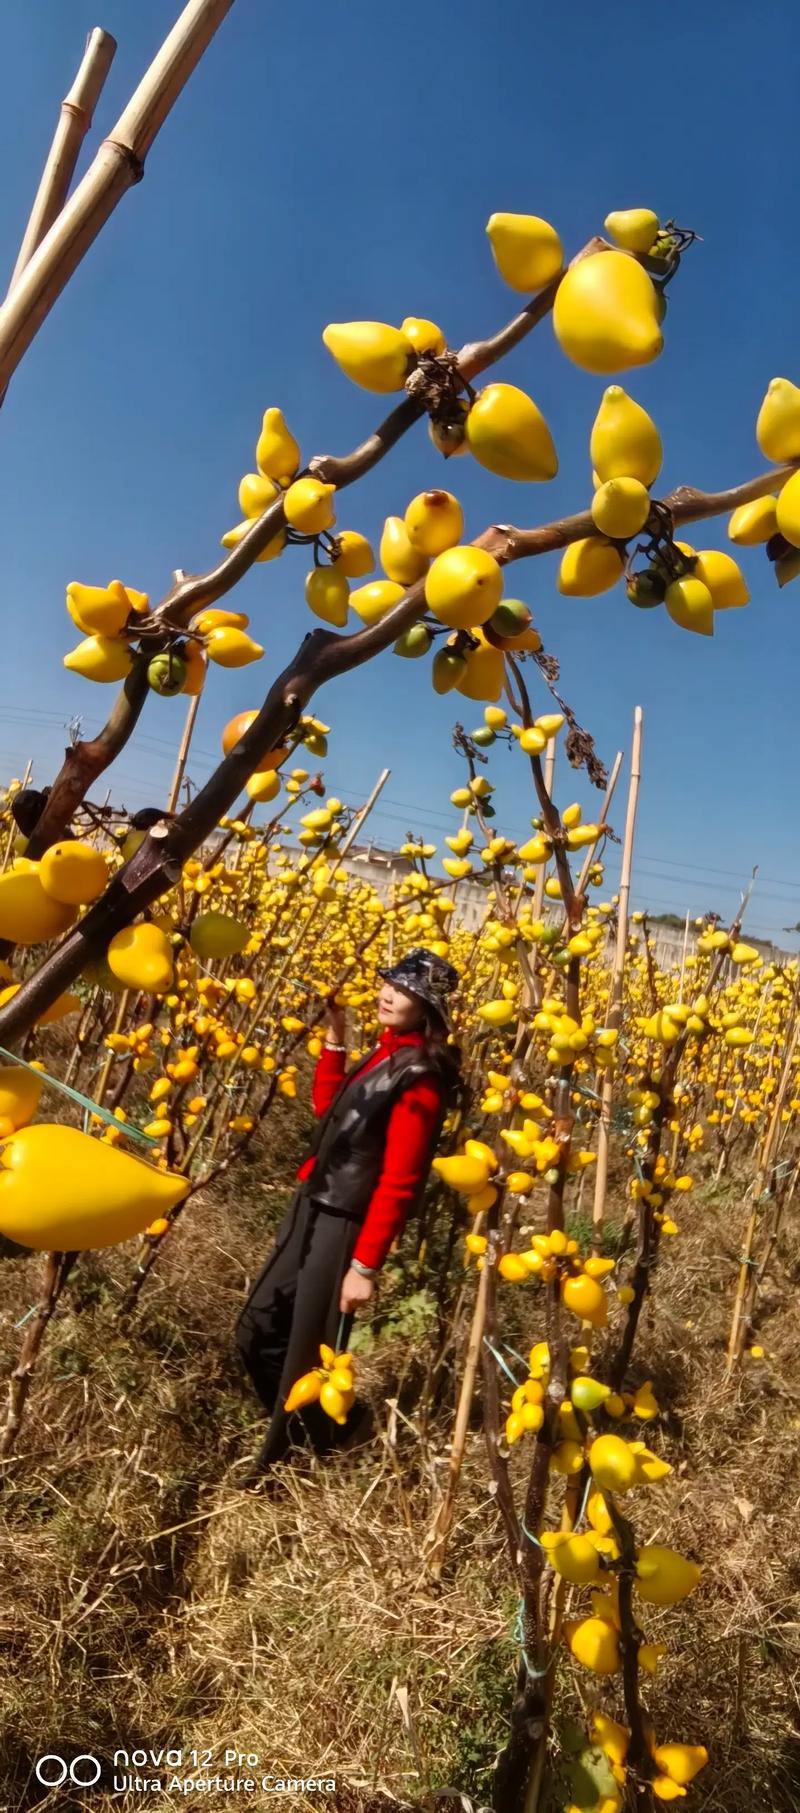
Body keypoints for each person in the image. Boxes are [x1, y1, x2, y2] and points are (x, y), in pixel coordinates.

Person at [234, 948, 462, 1483]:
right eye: (387, 984)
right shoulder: (386, 1053)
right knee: (256, 1328)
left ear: (426, 1008)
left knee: (306, 1350)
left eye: (404, 992)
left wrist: (364, 1266)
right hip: (312, 1204)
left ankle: (283, 1468)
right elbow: (328, 1110)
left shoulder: (420, 1077)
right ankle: (330, 1428)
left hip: (346, 1223)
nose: (387, 995)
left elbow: (402, 1180)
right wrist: (335, 1037)